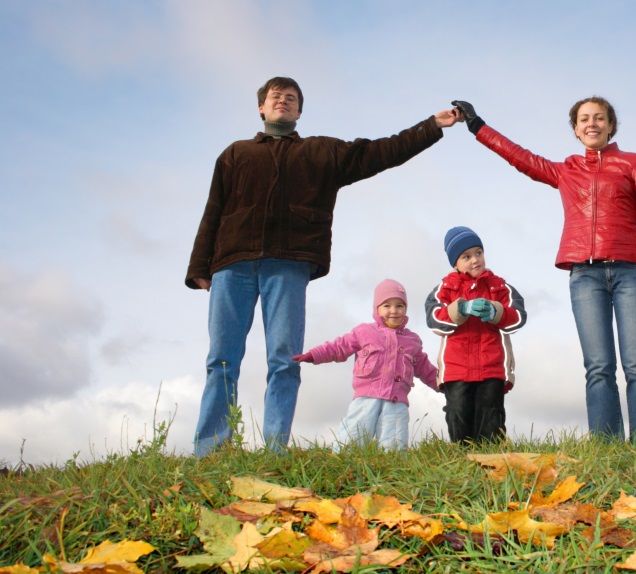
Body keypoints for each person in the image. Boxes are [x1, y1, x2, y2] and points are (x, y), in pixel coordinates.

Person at [184, 76, 458, 457]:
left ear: (299, 111)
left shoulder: (320, 152)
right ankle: (211, 448)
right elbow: (213, 210)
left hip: (289, 265)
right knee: (222, 359)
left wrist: (430, 127)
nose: (283, 100)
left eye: (291, 97)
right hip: (232, 264)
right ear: (261, 107)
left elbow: (379, 152)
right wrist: (200, 265)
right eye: (275, 96)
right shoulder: (236, 154)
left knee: (284, 359)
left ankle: (275, 449)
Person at [450, 98, 636, 444]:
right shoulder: (566, 170)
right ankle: (607, 448)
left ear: (611, 125)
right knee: (598, 367)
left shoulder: (634, 163)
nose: (592, 124)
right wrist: (478, 126)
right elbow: (520, 157)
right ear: (575, 129)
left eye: (599, 118)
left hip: (631, 272)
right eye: (584, 119)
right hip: (585, 277)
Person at [292, 279, 440, 450]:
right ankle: (343, 465)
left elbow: (426, 370)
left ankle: (392, 472)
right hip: (366, 398)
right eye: (387, 306)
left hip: (396, 402)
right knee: (352, 439)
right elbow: (338, 347)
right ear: (376, 308)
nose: (394, 311)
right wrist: (314, 355)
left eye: (400, 305)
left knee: (394, 446)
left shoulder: (412, 341)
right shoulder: (364, 332)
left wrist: (446, 385)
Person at [424, 226, 526, 444]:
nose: (475, 260)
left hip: (492, 366)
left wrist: (496, 312)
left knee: (491, 417)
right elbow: (433, 318)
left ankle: (492, 460)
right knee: (457, 413)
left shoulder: (499, 286)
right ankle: (463, 458)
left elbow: (518, 317)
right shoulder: (445, 288)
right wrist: (460, 309)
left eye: (478, 253)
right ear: (455, 263)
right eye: (466, 256)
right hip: (456, 368)